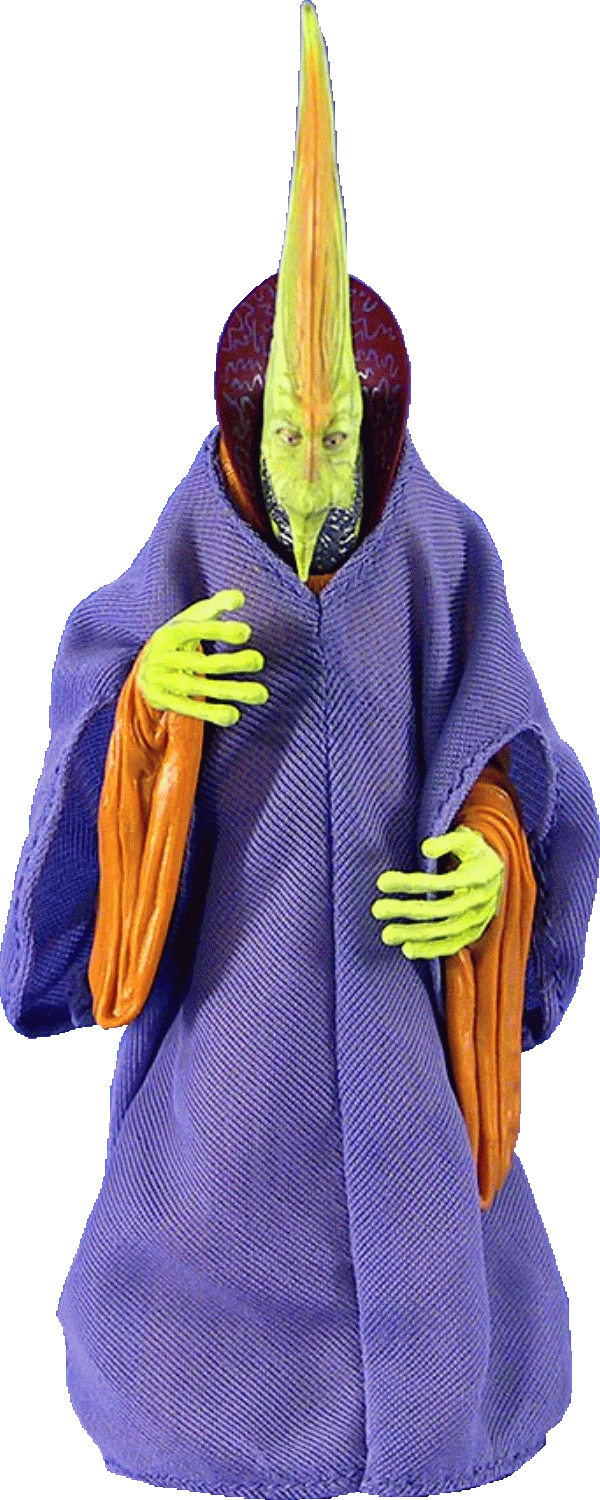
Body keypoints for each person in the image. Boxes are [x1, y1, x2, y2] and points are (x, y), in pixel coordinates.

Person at [1, 6, 598, 1496]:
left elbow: (513, 751)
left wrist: (489, 864)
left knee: (433, 1247)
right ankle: (202, 1377)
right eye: (289, 433)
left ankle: (439, 1374)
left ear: (380, 426)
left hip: (400, 1022)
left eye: (338, 439)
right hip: (232, 1020)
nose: (312, 467)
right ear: (244, 416)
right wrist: (149, 709)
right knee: (215, 1217)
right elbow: (92, 704)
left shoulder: (443, 549)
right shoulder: (193, 544)